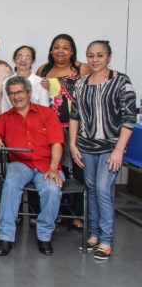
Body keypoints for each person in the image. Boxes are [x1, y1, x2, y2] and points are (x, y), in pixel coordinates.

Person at [69, 41, 137, 260]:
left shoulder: (120, 81)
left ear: (109, 57)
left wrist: (119, 150)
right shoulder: (80, 83)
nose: (95, 59)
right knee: (91, 189)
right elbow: (74, 115)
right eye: (90, 55)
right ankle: (94, 234)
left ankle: (107, 240)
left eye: (100, 55)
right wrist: (72, 143)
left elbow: (129, 118)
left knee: (102, 189)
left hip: (110, 147)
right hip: (86, 147)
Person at [0, 76, 64, 256]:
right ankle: (6, 237)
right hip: (20, 164)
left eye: (19, 92)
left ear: (29, 93)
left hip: (46, 163)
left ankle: (44, 236)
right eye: (11, 94)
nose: (16, 97)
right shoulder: (5, 118)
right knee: (10, 185)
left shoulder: (47, 114)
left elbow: (57, 143)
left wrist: (53, 168)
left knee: (52, 190)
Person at [36, 34, 90, 229]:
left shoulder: (81, 68)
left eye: (65, 47)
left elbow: (91, 89)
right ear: (51, 50)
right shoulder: (43, 69)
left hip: (76, 127)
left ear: (72, 50)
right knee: (52, 167)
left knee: (77, 169)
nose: (60, 51)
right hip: (48, 129)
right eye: (57, 47)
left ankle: (75, 213)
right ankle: (54, 211)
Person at [1, 45, 49, 111]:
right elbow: (5, 109)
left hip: (36, 120)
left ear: (32, 61)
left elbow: (45, 110)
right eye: (20, 57)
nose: (23, 60)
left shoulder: (41, 83)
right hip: (13, 120)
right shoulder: (6, 82)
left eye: (27, 57)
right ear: (15, 59)